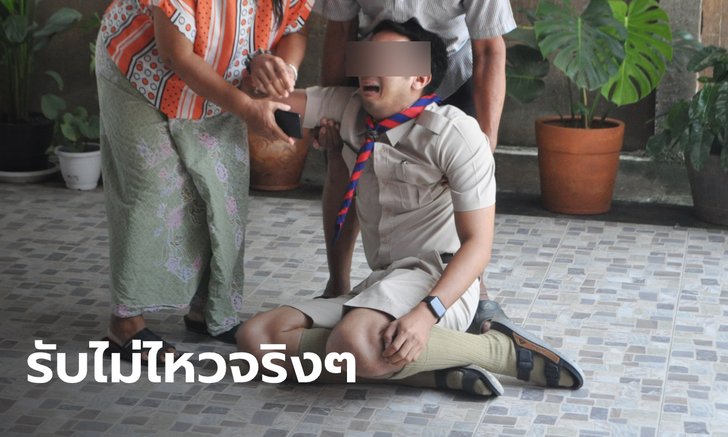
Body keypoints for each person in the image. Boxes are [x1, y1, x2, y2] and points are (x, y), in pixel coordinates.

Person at [237, 19, 583, 396]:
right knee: (257, 339)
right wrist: (260, 65)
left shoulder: (457, 135)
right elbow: (258, 103)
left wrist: (426, 314)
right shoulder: (346, 108)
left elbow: (478, 246)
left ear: (419, 77)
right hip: (383, 282)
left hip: (439, 282)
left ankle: (497, 350)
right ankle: (434, 370)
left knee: (352, 341)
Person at [95, 0, 314, 361]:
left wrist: (280, 71)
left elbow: (296, 26)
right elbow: (176, 54)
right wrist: (247, 108)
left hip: (222, 77)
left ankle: (210, 311)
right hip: (141, 68)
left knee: (224, 188)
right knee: (151, 188)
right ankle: (125, 324)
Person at [313, 0, 517, 327]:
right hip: (378, 63)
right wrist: (329, 111)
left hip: (448, 68)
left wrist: (486, 141)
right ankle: (338, 283)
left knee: (462, 190)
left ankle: (473, 292)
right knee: (343, 167)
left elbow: (490, 48)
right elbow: (340, 30)